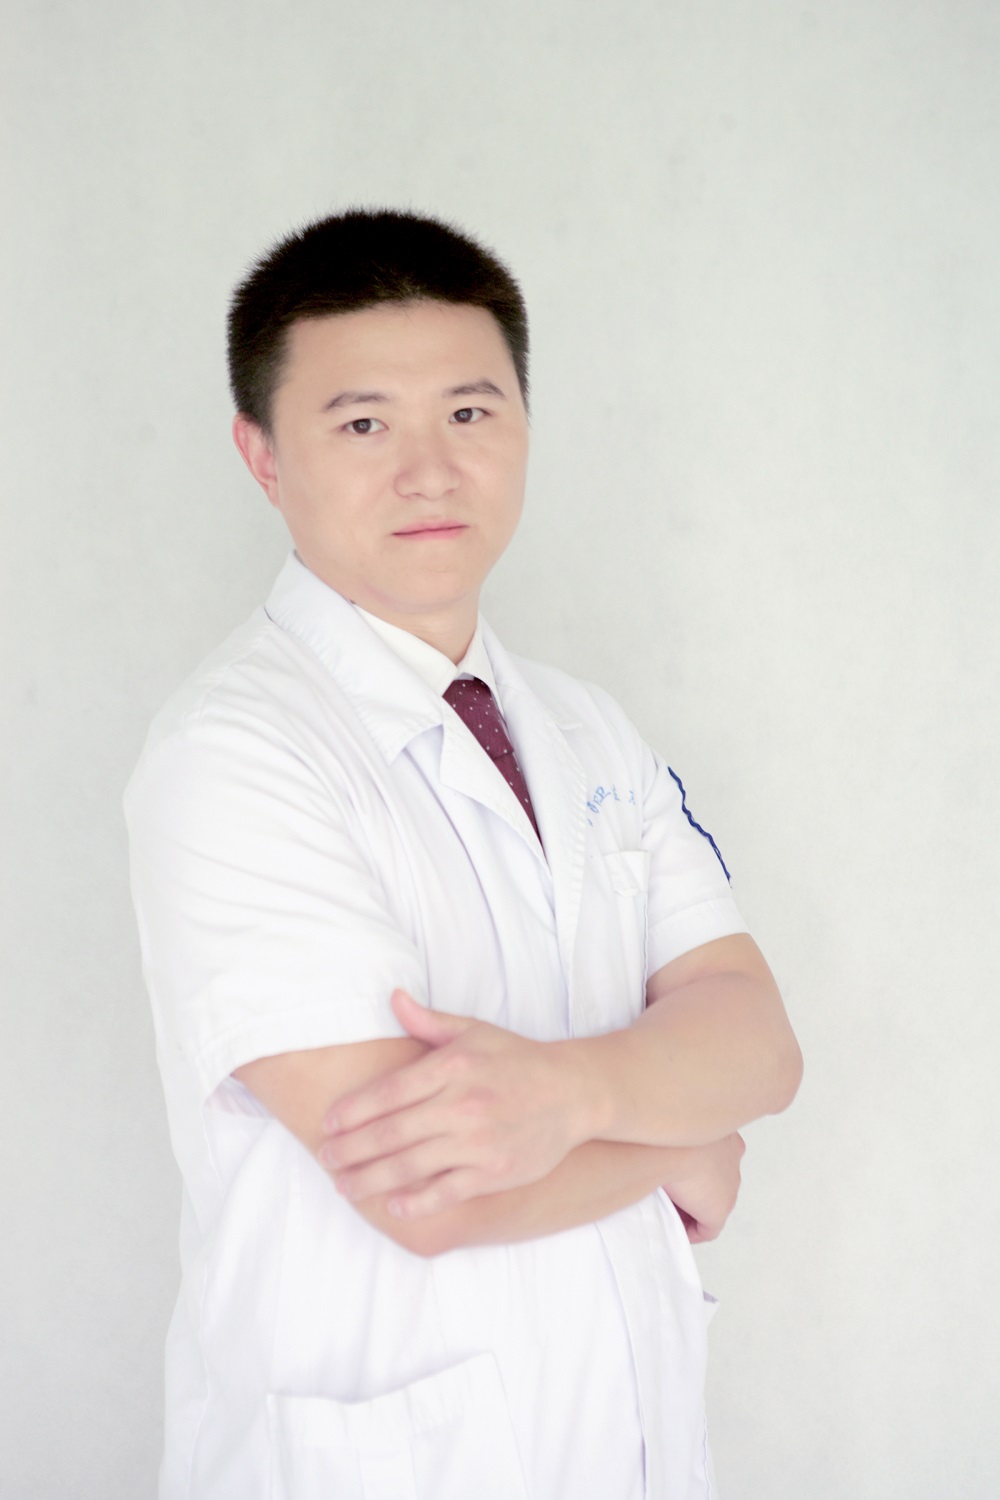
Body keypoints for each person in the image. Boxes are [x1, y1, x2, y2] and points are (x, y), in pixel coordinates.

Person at [124, 208, 802, 1500]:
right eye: (363, 424)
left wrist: (570, 1098)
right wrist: (676, 1142)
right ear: (261, 455)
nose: (429, 471)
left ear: (524, 427)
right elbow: (424, 1191)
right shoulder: (233, 754)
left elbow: (759, 1041)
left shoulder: (586, 728)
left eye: (471, 413)